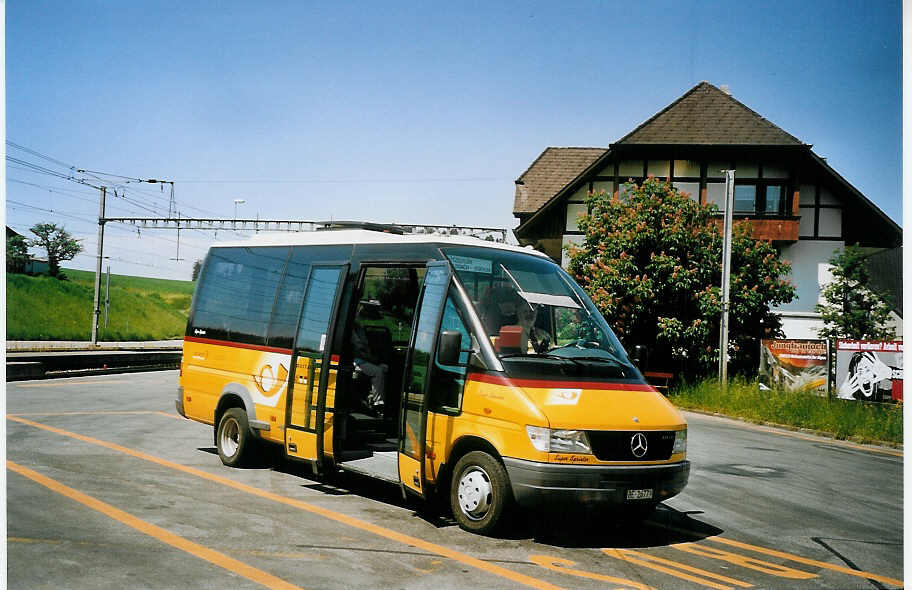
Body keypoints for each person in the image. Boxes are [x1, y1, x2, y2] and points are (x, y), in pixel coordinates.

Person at [351, 318, 388, 415]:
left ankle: (372, 397)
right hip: (357, 361)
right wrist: (370, 357)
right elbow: (360, 347)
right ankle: (378, 403)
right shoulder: (352, 330)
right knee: (378, 372)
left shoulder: (360, 330)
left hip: (363, 359)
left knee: (383, 367)